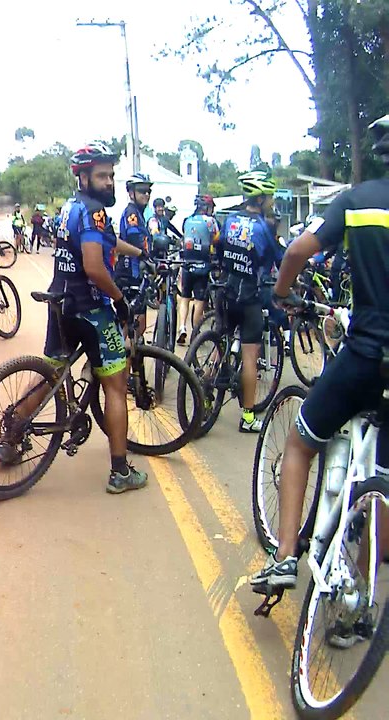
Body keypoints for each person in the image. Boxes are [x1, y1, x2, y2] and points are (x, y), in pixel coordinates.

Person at [250, 116, 389, 647]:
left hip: (366, 352)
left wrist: (282, 295)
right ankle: (361, 595)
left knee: (301, 441)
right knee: (381, 479)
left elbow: (296, 253)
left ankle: (286, 554)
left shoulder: (356, 202)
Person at [0, 141, 147, 494]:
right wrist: (120, 299)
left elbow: (106, 242)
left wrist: (139, 252)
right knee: (116, 387)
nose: (109, 182)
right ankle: (120, 472)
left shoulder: (70, 208)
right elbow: (95, 266)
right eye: (102, 176)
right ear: (83, 177)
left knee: (51, 373)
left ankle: (12, 436)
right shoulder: (94, 211)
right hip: (90, 309)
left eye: (111, 175)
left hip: (60, 302)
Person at [215, 171, 283, 433]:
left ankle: (208, 384)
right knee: (250, 357)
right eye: (270, 197)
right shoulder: (263, 227)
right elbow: (277, 258)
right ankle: (248, 417)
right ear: (262, 197)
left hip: (225, 293)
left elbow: (218, 247)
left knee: (221, 340)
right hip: (249, 298)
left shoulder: (230, 220)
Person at [177, 194, 219, 344]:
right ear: (207, 208)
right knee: (199, 300)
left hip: (187, 262)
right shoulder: (211, 221)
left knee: (185, 297)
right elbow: (217, 239)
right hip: (203, 264)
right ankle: (195, 332)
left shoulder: (187, 220)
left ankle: (182, 327)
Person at [116, 173, 153, 340]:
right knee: (131, 329)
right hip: (129, 274)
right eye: (142, 191)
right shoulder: (132, 213)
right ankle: (123, 364)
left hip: (135, 273)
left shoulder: (139, 214)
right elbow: (133, 237)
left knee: (138, 327)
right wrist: (145, 255)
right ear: (131, 193)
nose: (146, 194)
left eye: (148, 191)